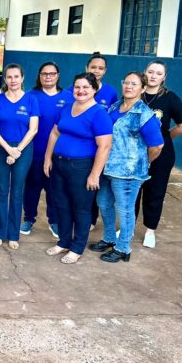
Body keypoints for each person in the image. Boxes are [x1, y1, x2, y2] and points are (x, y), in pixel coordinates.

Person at [90, 72, 164, 263]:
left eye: (134, 84)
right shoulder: (115, 106)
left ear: (143, 88)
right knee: (104, 203)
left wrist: (143, 162)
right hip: (107, 167)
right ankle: (109, 238)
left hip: (128, 173)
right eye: (126, 82)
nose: (129, 86)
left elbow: (157, 146)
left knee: (124, 209)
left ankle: (123, 248)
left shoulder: (145, 115)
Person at [44, 73, 112, 264]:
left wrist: (94, 175)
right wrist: (47, 158)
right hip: (59, 164)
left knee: (81, 209)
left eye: (85, 87)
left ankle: (77, 247)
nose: (80, 91)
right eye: (77, 87)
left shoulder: (99, 114)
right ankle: (64, 241)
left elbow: (105, 146)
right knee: (61, 205)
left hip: (81, 167)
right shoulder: (67, 108)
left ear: (94, 89)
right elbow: (55, 133)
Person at [134, 60, 182, 249]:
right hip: (134, 152)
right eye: (150, 72)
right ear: (145, 72)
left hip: (161, 155)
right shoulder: (135, 94)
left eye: (158, 73)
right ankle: (128, 227)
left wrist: (165, 139)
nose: (153, 76)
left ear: (164, 77)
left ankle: (150, 230)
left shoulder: (170, 98)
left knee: (154, 191)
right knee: (132, 191)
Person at [0, 64, 39, 250]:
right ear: (5, 79)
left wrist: (17, 150)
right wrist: (8, 149)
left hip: (23, 150)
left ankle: (13, 234)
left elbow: (33, 129)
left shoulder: (31, 100)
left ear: (22, 78)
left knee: (17, 192)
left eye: (16, 76)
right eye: (9, 77)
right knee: (2, 191)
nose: (13, 80)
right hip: (1, 148)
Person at [21, 62, 73, 239]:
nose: (48, 77)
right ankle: (28, 218)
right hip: (34, 152)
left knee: (55, 190)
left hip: (59, 154)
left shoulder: (69, 97)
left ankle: (54, 221)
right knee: (31, 188)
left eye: (52, 73)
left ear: (58, 75)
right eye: (44, 74)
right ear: (39, 76)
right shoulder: (30, 96)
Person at [83, 52, 118, 230]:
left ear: (105, 71)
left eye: (101, 68)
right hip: (81, 148)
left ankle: (91, 219)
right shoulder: (77, 88)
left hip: (100, 147)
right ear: (86, 68)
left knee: (95, 182)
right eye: (93, 67)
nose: (96, 71)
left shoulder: (111, 92)